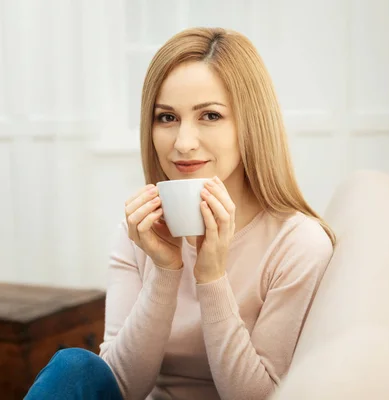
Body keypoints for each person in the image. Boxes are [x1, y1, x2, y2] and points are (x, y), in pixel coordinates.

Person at [25, 27, 335, 400]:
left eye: (210, 115)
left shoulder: (299, 244)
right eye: (167, 118)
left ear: (250, 124)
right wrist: (165, 271)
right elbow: (122, 387)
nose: (184, 143)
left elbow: (260, 397)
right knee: (75, 367)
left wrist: (211, 277)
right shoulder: (138, 232)